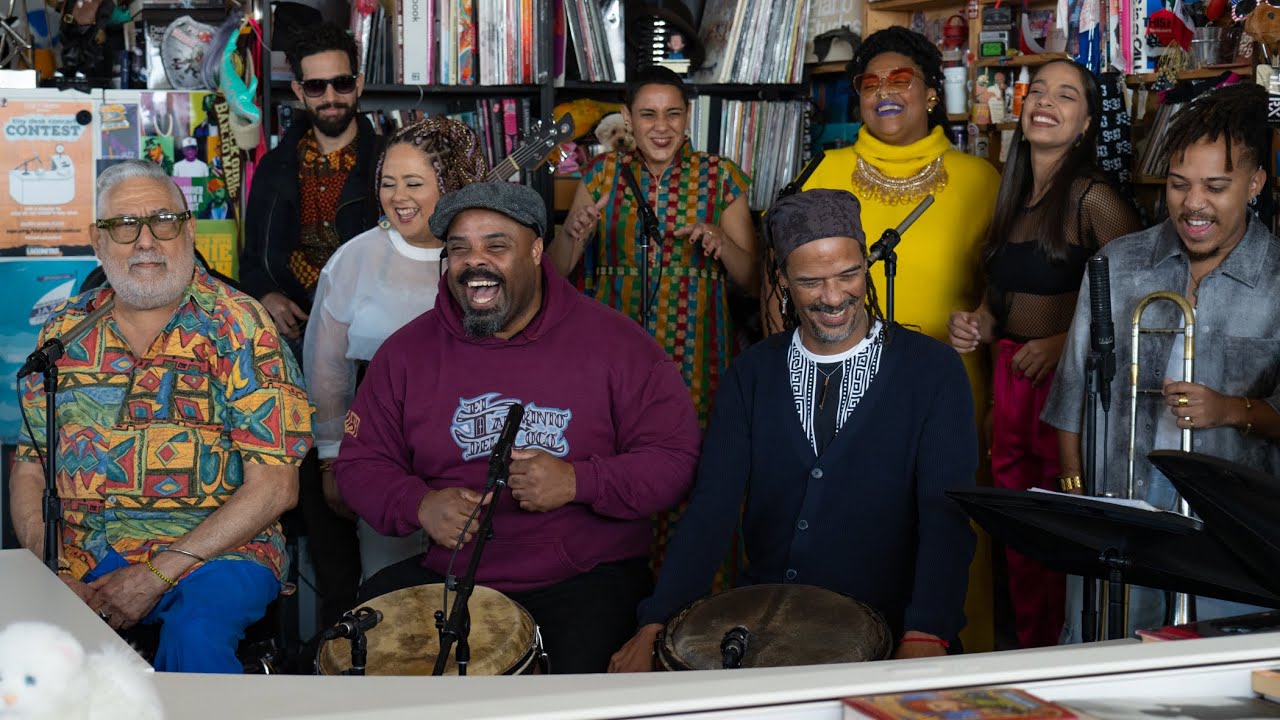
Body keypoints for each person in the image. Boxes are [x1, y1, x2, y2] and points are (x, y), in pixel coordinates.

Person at [335, 181, 700, 673]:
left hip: (586, 579)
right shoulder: (406, 354)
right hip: (451, 580)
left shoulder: (618, 345)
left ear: (535, 250)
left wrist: (579, 481)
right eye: (459, 249)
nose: (474, 262)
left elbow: (675, 459)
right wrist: (419, 503)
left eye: (496, 246)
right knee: (346, 666)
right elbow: (359, 465)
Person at [609, 189, 977, 672]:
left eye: (849, 274)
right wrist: (654, 621)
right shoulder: (753, 372)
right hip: (768, 632)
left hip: (891, 631)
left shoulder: (932, 369)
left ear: (866, 265)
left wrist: (927, 629)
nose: (833, 297)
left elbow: (945, 516)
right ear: (781, 279)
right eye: (810, 281)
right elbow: (713, 508)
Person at [7, 160, 312, 673]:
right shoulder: (64, 333)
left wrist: (156, 574)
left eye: (163, 221)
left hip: (216, 557)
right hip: (80, 561)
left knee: (195, 637)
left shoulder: (241, 327)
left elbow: (277, 487)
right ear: (98, 242)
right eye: (124, 226)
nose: (145, 241)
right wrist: (50, 565)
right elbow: (30, 468)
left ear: (188, 230)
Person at [780, 25, 1000, 650]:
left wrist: (986, 318)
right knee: (850, 519)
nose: (884, 93)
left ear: (931, 92)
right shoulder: (826, 168)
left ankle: (950, 672)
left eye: (901, 79)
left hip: (951, 382)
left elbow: (1007, 288)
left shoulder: (981, 178)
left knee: (945, 519)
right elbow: (790, 276)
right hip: (841, 380)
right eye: (869, 83)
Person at [1042, 82, 1280, 639]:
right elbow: (1072, 394)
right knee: (1102, 667)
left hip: (1231, 534)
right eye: (1178, 184)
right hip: (1120, 519)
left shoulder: (1277, 279)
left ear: (1254, 184)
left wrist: (1230, 410)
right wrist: (1080, 501)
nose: (1193, 203)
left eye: (1215, 186)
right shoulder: (1118, 263)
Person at [947, 59, 1142, 649]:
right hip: (1009, 378)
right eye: (1036, 91)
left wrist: (1061, 344)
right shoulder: (1013, 189)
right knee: (1020, 540)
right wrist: (980, 320)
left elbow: (1135, 288)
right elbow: (1003, 286)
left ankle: (1063, 659)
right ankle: (1028, 658)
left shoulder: (1092, 196)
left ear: (1085, 122)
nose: (1044, 102)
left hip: (1065, 390)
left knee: (1059, 529)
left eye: (1065, 95)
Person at [239, 22, 382, 625]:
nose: (330, 97)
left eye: (341, 83)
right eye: (316, 86)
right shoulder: (273, 167)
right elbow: (253, 258)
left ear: (360, 83)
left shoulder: (389, 164)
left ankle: (390, 631)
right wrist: (266, 294)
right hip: (293, 352)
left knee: (377, 485)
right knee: (312, 497)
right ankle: (335, 638)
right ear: (297, 91)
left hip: (378, 351)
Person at [303, 117, 487, 581]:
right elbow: (327, 370)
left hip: (476, 462)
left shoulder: (481, 258)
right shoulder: (354, 259)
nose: (398, 197)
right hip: (383, 465)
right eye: (388, 183)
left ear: (450, 185)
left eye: (414, 183)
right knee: (392, 601)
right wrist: (332, 458)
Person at [551, 65, 757, 428]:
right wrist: (573, 232)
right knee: (616, 452)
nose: (661, 126)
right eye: (648, 114)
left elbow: (754, 283)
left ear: (687, 116)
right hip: (612, 351)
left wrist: (722, 243)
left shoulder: (721, 175)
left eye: (672, 113)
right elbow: (554, 274)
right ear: (628, 118)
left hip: (698, 354)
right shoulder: (602, 172)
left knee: (695, 458)